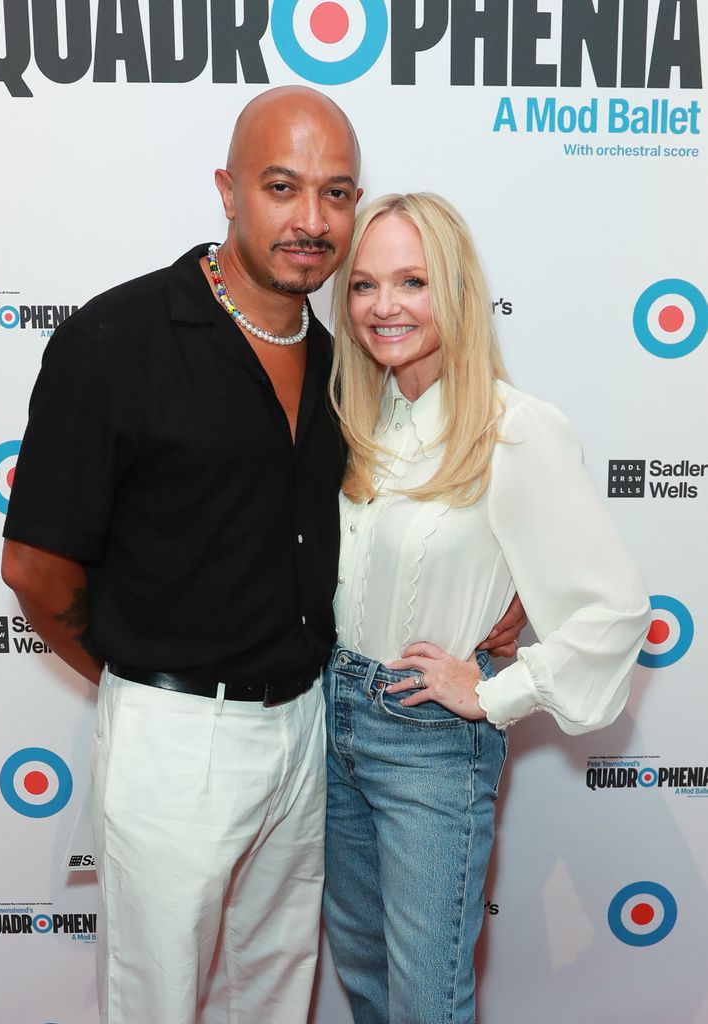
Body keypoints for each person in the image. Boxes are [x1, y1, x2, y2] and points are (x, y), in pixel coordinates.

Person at [0, 89, 524, 1024]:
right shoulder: (115, 340)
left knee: (274, 997)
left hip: (312, 734)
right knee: (157, 1002)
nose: (312, 222)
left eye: (335, 194)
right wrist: (147, 687)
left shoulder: (343, 362)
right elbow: (36, 573)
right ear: (227, 190)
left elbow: (416, 501)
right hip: (174, 738)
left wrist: (503, 591)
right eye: (282, 188)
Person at [323, 192, 651, 1024]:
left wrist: (497, 691)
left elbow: (614, 608)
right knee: (365, 983)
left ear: (458, 291)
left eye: (412, 281)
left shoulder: (516, 430)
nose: (384, 306)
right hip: (328, 726)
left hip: (427, 739)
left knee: (426, 1004)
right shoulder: (355, 421)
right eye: (363, 286)